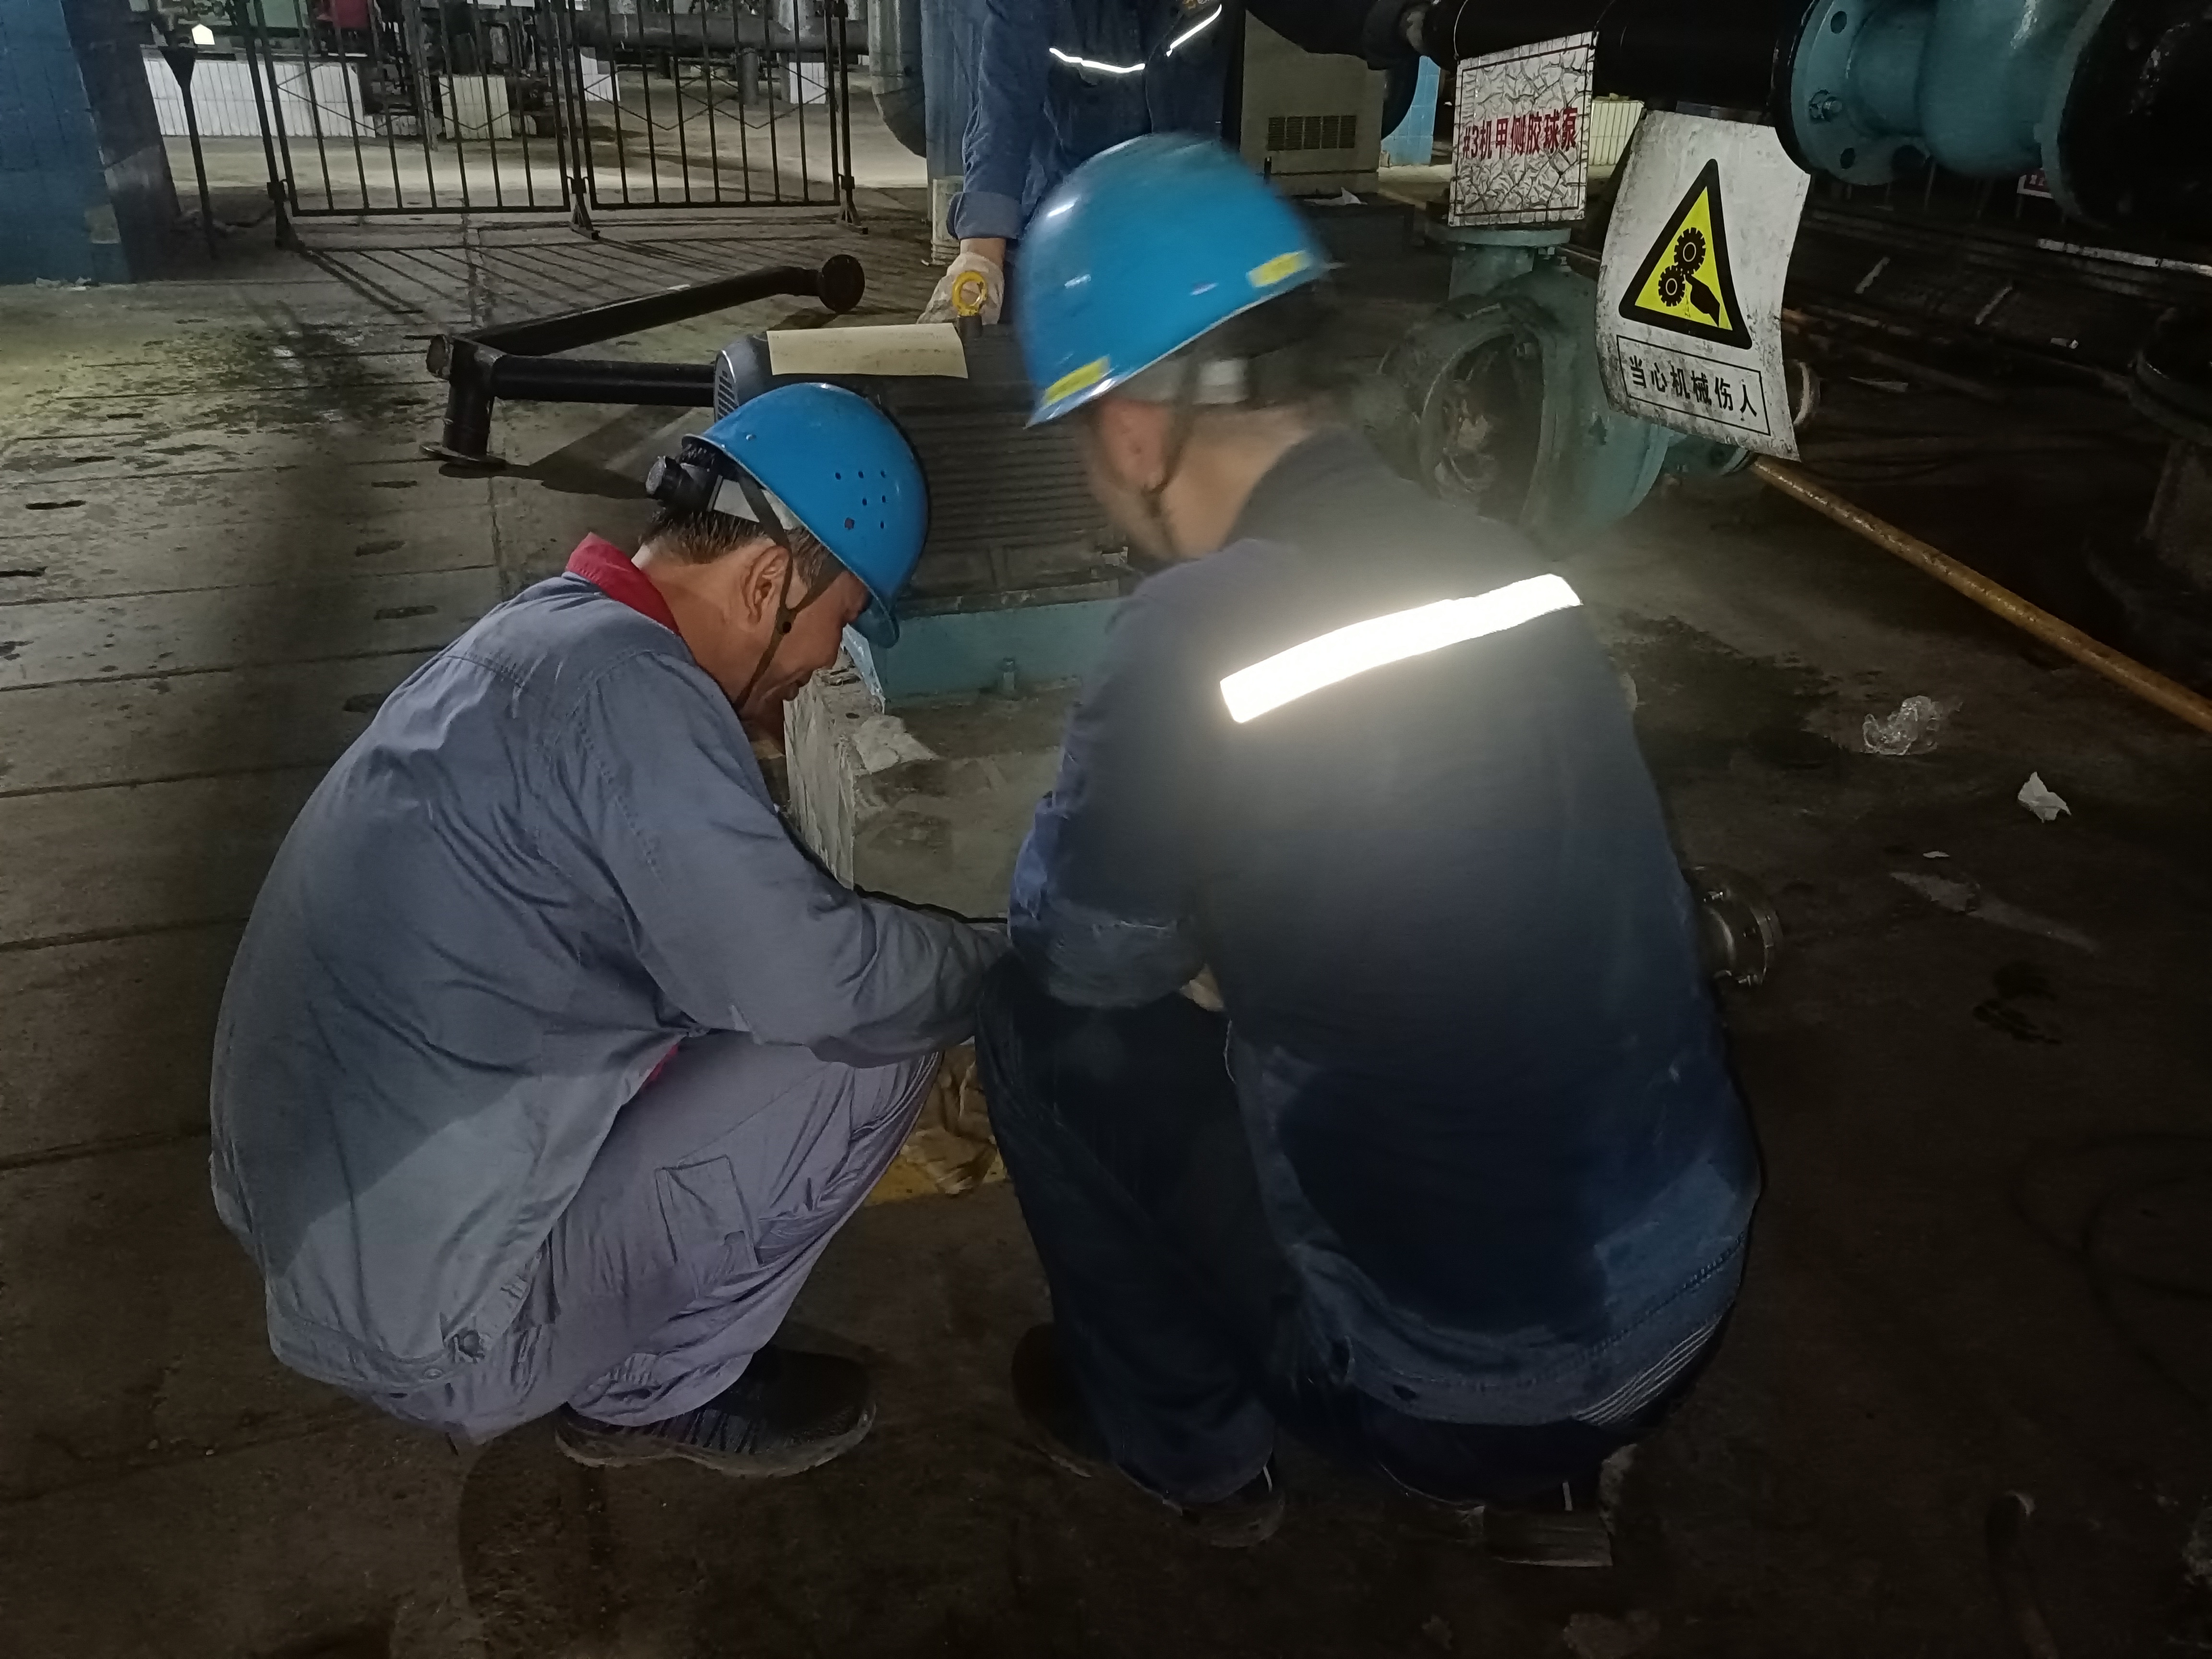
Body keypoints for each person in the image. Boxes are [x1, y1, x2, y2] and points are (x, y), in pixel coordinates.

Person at [974, 136, 1761, 1547]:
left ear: (1135, 429)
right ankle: (1550, 1454)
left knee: (1032, 1024)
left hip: (1450, 1389)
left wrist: (1188, 925)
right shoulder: (1507, 560)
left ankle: (1193, 1452)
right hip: (1693, 1298)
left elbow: (1083, 953)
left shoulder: (1189, 631)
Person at [212, 384, 1004, 1474]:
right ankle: (653, 1392)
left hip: (324, 1235)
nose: (826, 661)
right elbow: (816, 983)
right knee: (868, 1045)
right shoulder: (633, 696)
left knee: (754, 976)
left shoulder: (541, 639)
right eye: (840, 621)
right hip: (440, 1327)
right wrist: (1007, 965)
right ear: (768, 581)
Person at [922, 0, 1427, 325]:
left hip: (1180, 228)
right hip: (1068, 242)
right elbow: (1005, 108)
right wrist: (981, 255)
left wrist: (1413, 23)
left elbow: (1319, 11)